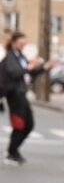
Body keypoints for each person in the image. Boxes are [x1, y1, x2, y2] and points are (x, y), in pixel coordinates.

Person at [2, 31, 52, 165]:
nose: (24, 42)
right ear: (14, 42)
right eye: (22, 40)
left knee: (28, 124)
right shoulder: (10, 57)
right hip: (14, 95)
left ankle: (13, 150)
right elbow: (15, 73)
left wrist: (44, 68)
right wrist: (29, 67)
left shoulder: (20, 56)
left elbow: (28, 74)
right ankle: (11, 152)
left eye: (25, 40)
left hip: (21, 93)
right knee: (20, 125)